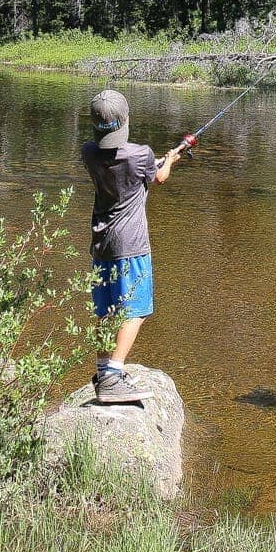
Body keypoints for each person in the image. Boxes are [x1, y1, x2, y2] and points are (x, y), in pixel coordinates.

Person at [81, 88, 181, 404]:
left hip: (101, 245)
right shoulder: (141, 155)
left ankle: (102, 370)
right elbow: (158, 178)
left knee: (106, 309)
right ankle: (112, 376)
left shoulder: (88, 152)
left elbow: (131, 167)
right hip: (131, 246)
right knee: (135, 310)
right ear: (126, 120)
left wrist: (157, 163)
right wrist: (171, 160)